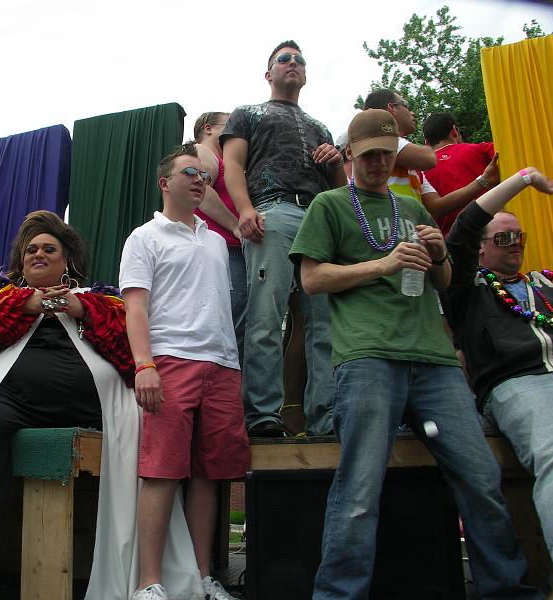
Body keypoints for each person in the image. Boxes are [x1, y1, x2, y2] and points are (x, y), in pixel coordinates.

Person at [289, 109, 542, 600]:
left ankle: (507, 590)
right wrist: (383, 264)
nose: (380, 163)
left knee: (481, 476)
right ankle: (338, 595)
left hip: (435, 360)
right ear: (349, 154)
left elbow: (443, 282)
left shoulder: (412, 207)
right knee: (359, 488)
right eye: (370, 155)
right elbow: (312, 279)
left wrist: (440, 253)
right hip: (367, 356)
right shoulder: (329, 204)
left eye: (388, 154)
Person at [0, 211, 202, 600]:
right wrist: (23, 306)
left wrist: (81, 309)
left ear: (66, 260)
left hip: (92, 406)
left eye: (49, 249)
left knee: (144, 428)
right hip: (11, 404)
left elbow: (130, 348)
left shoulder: (97, 301)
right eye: (31, 250)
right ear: (21, 264)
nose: (39, 254)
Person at [120, 143, 249, 600]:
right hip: (171, 360)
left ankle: (201, 580)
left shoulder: (215, 241)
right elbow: (135, 308)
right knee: (162, 471)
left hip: (223, 365)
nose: (200, 180)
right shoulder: (144, 237)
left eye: (204, 176)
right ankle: (149, 584)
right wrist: (145, 364)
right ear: (164, 182)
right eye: (189, 173)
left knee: (208, 475)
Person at [221, 40, 346, 437]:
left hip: (320, 219)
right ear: (269, 73)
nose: (293, 63)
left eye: (299, 60)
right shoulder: (247, 113)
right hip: (271, 211)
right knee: (266, 315)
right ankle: (262, 414)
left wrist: (337, 163)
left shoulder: (321, 127)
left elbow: (341, 189)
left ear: (305, 74)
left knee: (325, 322)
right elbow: (232, 165)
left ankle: (325, 416)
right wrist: (245, 209)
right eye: (284, 59)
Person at [444, 167, 553, 566]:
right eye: (503, 238)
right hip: (519, 383)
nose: (515, 245)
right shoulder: (468, 290)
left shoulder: (546, 285)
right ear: (480, 249)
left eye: (519, 237)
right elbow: (462, 228)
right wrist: (524, 179)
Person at [363, 90, 499, 224]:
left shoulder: (413, 167)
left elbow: (436, 207)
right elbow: (429, 159)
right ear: (391, 108)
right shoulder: (382, 142)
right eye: (406, 105)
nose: (412, 113)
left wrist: (483, 180)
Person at [192, 112, 246, 363]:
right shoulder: (203, 151)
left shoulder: (228, 160)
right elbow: (201, 191)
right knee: (228, 320)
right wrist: (236, 226)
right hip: (222, 248)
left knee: (237, 320)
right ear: (208, 128)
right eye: (229, 124)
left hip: (233, 249)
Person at [423, 111, 498, 235]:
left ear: (426, 142)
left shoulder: (421, 171)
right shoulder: (481, 149)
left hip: (449, 240)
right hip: (491, 233)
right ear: (454, 131)